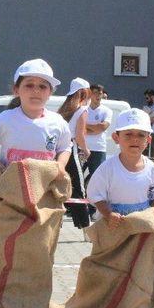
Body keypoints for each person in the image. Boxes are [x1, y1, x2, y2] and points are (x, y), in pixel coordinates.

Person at [0, 58, 71, 180]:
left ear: (50, 92)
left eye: (43, 86)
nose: (36, 90)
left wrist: (61, 165)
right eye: (29, 85)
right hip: (10, 190)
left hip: (44, 190)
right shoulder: (4, 119)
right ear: (16, 90)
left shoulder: (58, 122)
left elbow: (65, 147)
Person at [87, 108, 154, 225]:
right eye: (128, 134)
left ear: (148, 140)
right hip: (113, 228)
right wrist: (108, 214)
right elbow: (96, 197)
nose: (134, 139)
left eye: (141, 135)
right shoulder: (106, 169)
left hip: (142, 228)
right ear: (116, 138)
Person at [58, 77, 91, 234]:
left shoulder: (63, 109)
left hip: (57, 149)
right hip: (71, 148)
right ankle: (86, 229)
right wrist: (86, 149)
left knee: (56, 187)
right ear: (84, 93)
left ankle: (56, 224)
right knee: (79, 188)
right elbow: (79, 134)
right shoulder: (82, 109)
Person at [84, 84, 112, 178]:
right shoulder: (83, 109)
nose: (98, 96)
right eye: (95, 93)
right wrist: (95, 128)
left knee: (98, 177)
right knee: (75, 177)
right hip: (82, 148)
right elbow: (77, 128)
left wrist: (85, 126)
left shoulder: (107, 111)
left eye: (100, 93)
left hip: (98, 149)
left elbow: (102, 128)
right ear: (90, 94)